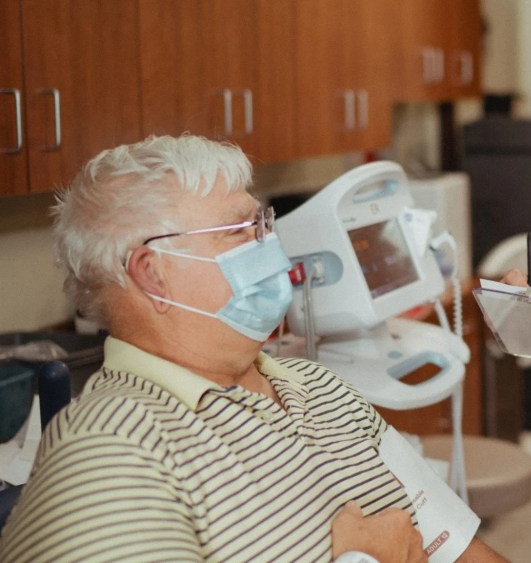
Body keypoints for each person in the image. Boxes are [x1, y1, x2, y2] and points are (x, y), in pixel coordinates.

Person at [0, 134, 505, 563]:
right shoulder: (108, 455)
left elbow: (457, 549)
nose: (270, 245)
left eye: (261, 224)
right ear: (153, 274)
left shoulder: (323, 390)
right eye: (239, 231)